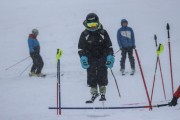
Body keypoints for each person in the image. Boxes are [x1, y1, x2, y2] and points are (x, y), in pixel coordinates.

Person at [78, 13, 114, 102]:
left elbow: (109, 46)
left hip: (102, 57)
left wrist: (110, 56)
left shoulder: (103, 32)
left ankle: (102, 91)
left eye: (94, 24)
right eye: (90, 25)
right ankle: (94, 91)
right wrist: (83, 57)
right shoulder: (84, 34)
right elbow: (81, 48)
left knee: (102, 72)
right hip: (90, 58)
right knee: (91, 73)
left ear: (98, 23)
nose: (93, 27)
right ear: (86, 24)